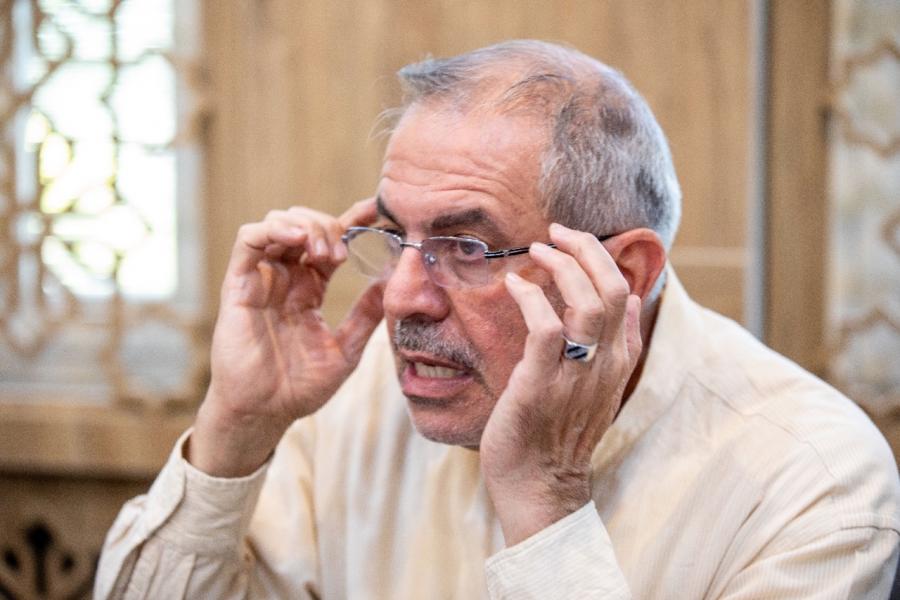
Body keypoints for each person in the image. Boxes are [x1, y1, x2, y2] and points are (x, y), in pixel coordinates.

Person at [94, 40, 900, 599]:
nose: (403, 297)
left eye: (467, 247)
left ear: (622, 277)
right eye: (394, 236)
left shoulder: (817, 482)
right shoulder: (358, 398)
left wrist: (546, 502)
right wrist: (235, 428)